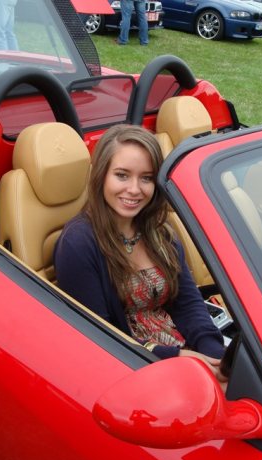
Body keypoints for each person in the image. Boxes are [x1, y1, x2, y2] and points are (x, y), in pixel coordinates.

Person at [54, 125, 225, 377]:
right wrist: (177, 357)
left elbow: (188, 302)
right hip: (131, 368)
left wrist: (214, 355)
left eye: (146, 178)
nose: (135, 189)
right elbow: (100, 336)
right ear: (101, 175)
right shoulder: (78, 244)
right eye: (122, 175)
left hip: (186, 357)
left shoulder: (160, 231)